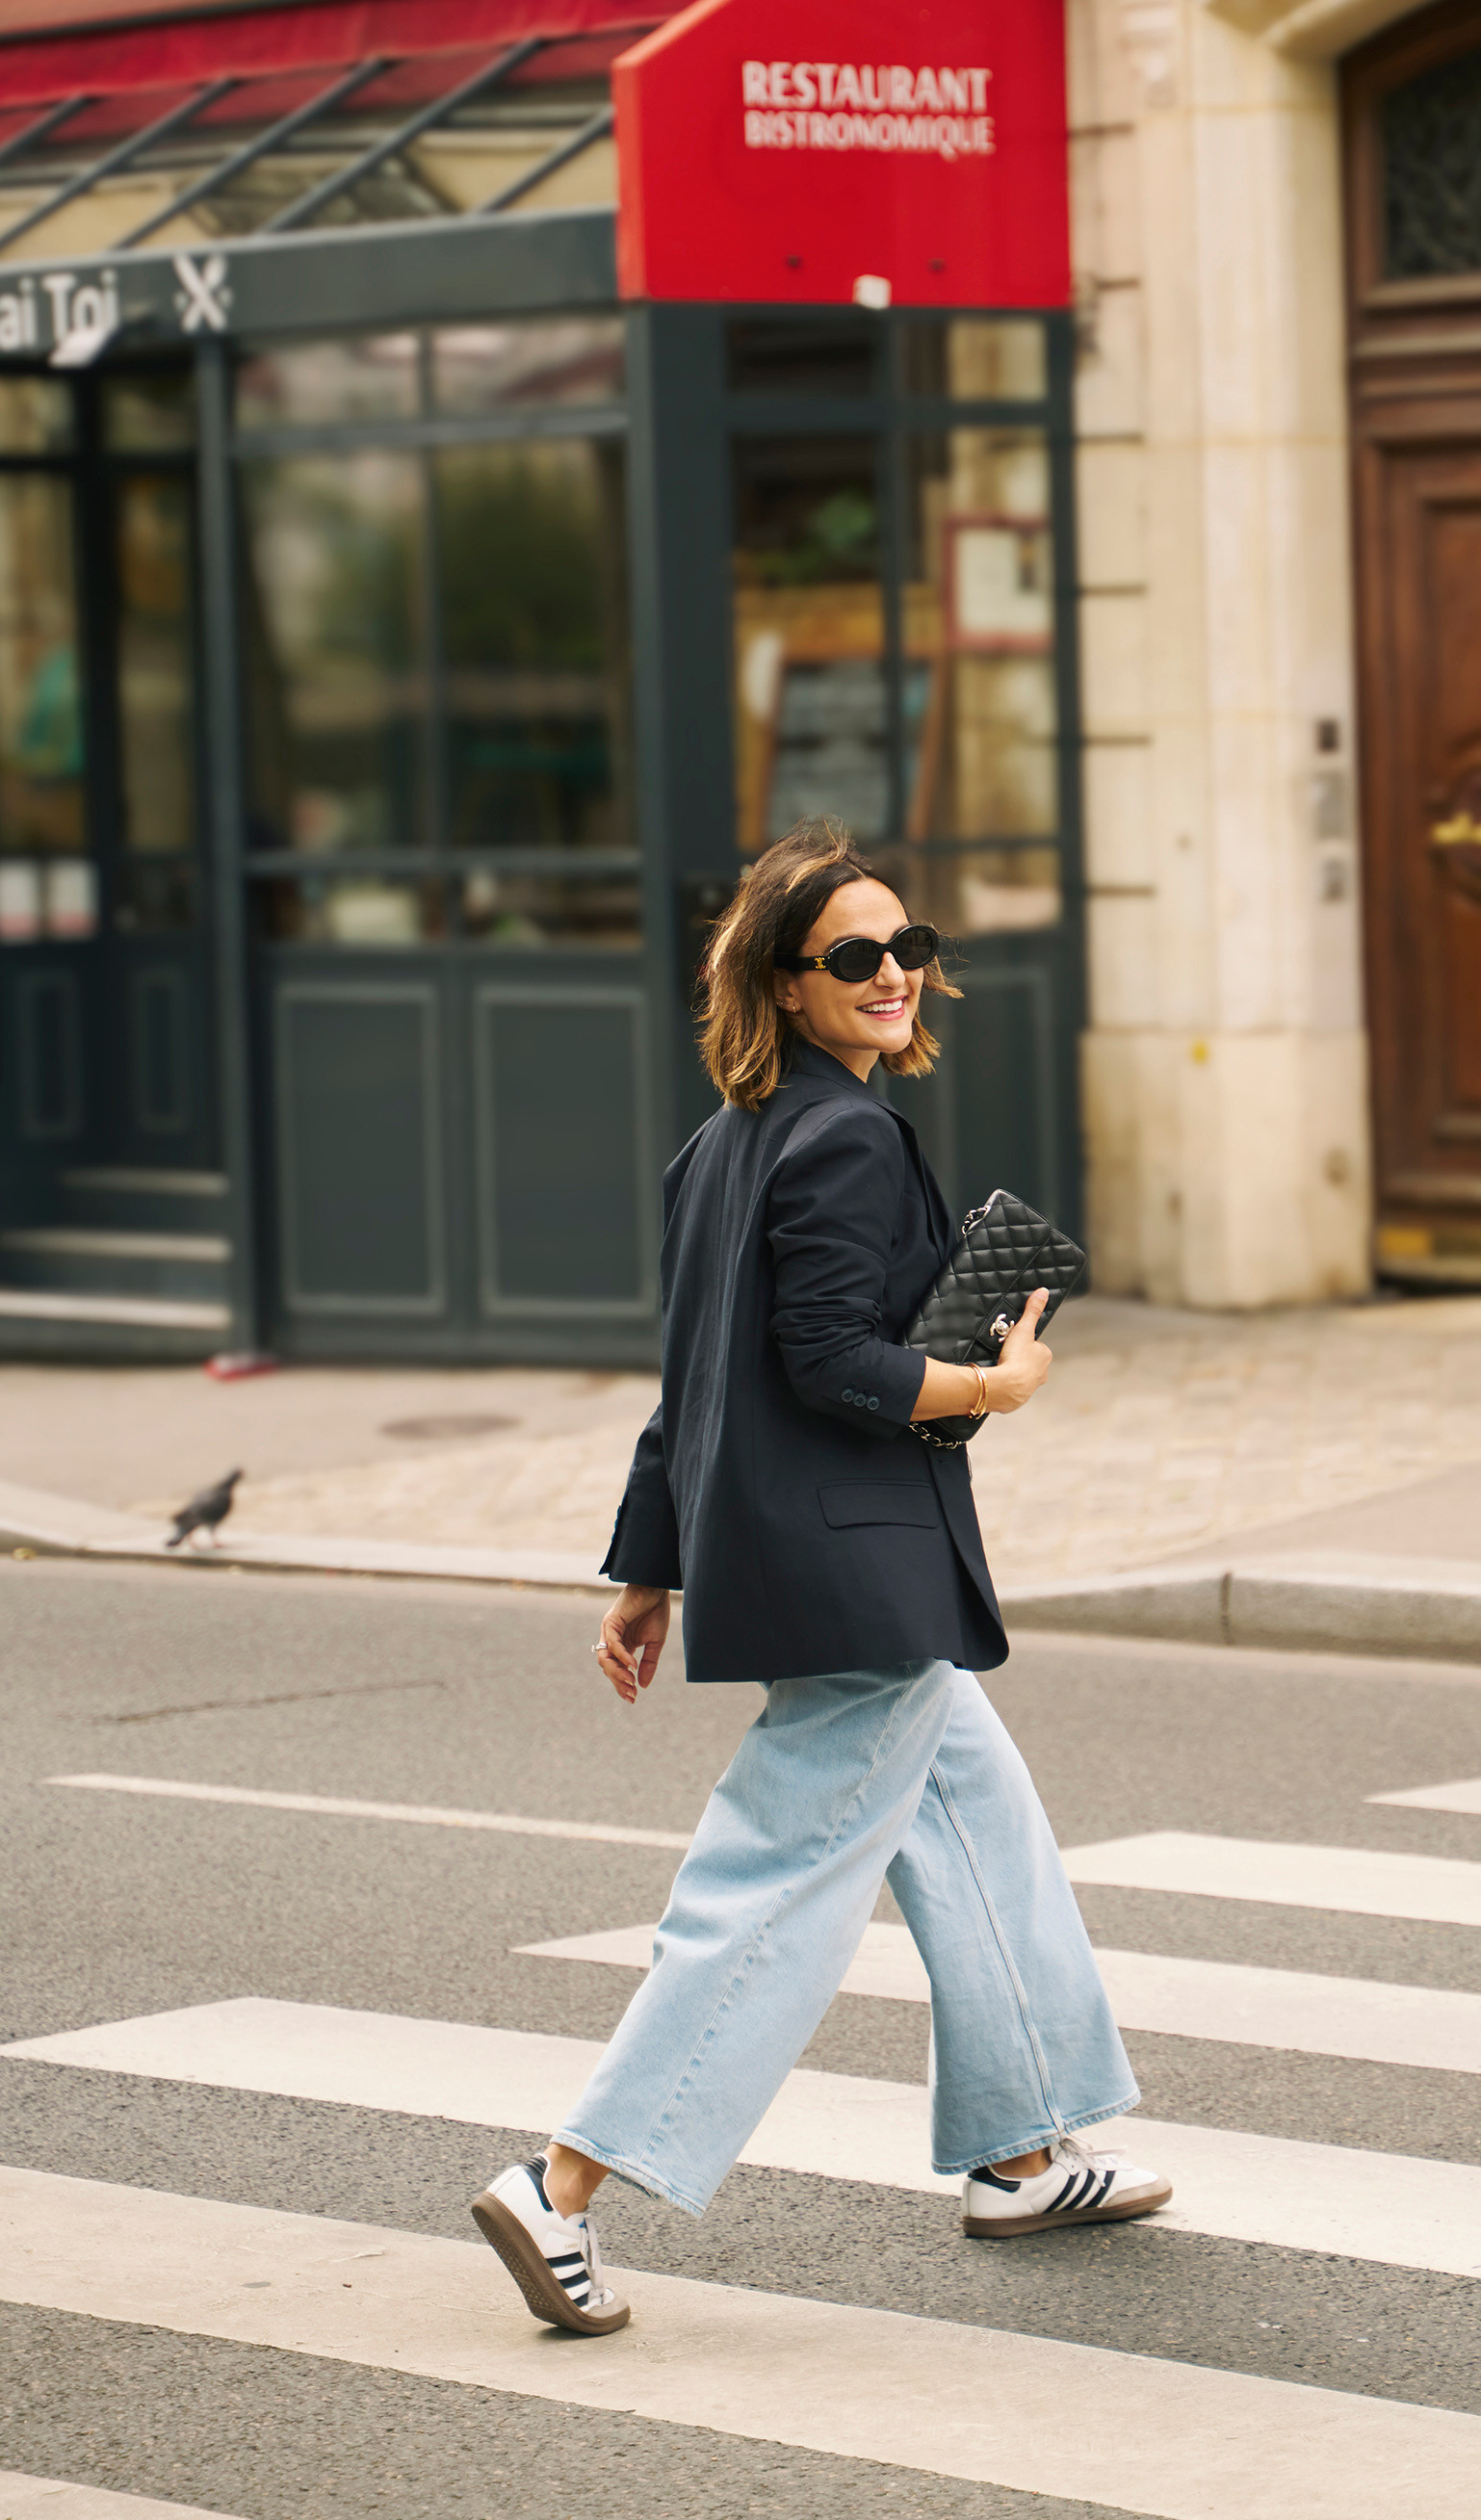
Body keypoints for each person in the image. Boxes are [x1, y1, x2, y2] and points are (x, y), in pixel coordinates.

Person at [471, 818, 1169, 2333]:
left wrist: (647, 1568)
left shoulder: (723, 1143)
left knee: (981, 1825)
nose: (893, 972)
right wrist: (993, 1383)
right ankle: (562, 2183)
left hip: (806, 1559)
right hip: (863, 1572)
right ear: (786, 984)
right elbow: (829, 1360)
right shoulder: (845, 1135)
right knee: (772, 1885)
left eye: (909, 946)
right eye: (855, 954)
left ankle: (1020, 2152)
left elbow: (690, 1384)